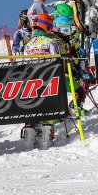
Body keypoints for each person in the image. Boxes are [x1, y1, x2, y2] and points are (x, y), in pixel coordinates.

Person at [21, 12, 65, 149]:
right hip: (49, 80)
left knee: (33, 107)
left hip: (31, 81)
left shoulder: (28, 44)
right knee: (48, 107)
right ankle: (47, 136)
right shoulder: (51, 41)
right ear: (45, 26)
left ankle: (29, 136)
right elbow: (58, 60)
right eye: (50, 26)